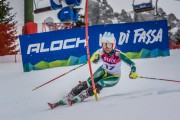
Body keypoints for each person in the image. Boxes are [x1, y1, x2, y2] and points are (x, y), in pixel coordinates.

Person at [48, 32, 139, 109]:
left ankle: (81, 96)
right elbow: (93, 59)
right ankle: (68, 96)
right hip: (103, 70)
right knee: (87, 83)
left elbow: (132, 64)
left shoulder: (119, 54)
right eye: (104, 44)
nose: (106, 47)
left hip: (114, 77)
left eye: (109, 45)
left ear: (113, 45)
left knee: (100, 84)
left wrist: (133, 72)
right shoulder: (101, 51)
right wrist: (94, 58)